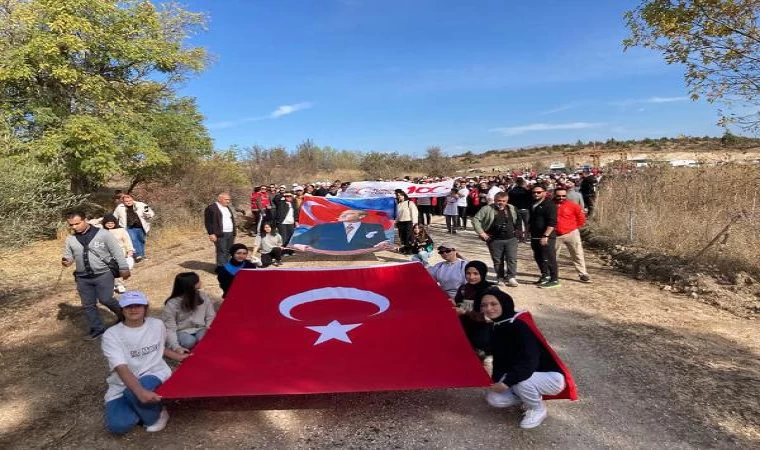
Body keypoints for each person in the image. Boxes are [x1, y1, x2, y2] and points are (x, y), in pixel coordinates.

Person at [481, 288, 577, 429]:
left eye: (493, 304)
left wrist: (507, 382)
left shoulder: (519, 326)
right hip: (526, 375)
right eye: (484, 305)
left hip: (549, 376)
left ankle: (537, 409)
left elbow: (529, 361)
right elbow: (500, 359)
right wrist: (497, 381)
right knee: (494, 398)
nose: (488, 308)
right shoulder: (497, 326)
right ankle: (526, 398)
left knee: (521, 383)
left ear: (504, 303)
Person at [101, 291, 188, 434]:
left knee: (134, 394)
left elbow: (159, 347)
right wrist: (140, 391)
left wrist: (177, 356)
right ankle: (141, 402)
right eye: (128, 306)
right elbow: (120, 367)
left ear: (145, 308)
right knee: (118, 426)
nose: (133, 309)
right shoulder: (111, 334)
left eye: (138, 306)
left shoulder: (157, 324)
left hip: (154, 371)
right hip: (122, 381)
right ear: (122, 309)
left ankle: (158, 413)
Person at [62, 211, 131, 340]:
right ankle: (97, 329)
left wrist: (123, 267)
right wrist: (66, 261)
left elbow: (116, 251)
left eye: (77, 223)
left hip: (103, 273)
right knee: (88, 305)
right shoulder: (70, 239)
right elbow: (68, 256)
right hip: (83, 277)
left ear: (85, 220)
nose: (74, 227)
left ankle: (125, 316)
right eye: (71, 225)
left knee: (105, 299)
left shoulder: (103, 234)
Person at [472, 192, 519, 287]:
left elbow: (518, 220)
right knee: (498, 260)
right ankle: (500, 277)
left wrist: (519, 231)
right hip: (494, 239)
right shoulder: (487, 208)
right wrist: (481, 233)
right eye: (499, 200)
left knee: (512, 259)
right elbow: (475, 219)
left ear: (507, 201)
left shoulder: (511, 208)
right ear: (495, 199)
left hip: (511, 239)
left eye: (503, 201)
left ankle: (511, 277)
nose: (501, 203)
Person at [290, 209, 391, 253]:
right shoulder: (325, 227)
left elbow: (382, 240)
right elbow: (298, 239)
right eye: (342, 214)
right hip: (328, 256)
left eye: (349, 214)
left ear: (361, 216)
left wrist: (382, 243)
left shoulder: (375, 227)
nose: (343, 216)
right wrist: (301, 245)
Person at [163, 272, 216, 352]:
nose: (201, 282)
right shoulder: (172, 304)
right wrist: (176, 347)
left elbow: (210, 315)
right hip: (182, 331)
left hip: (201, 329)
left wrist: (209, 329)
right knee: (189, 342)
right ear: (190, 286)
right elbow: (170, 327)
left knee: (205, 339)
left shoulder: (203, 296)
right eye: (198, 281)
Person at [453, 261, 496, 353]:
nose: (471, 277)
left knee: (481, 340)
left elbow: (491, 317)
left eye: (476, 273)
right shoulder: (464, 289)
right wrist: (454, 304)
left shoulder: (491, 291)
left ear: (483, 274)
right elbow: (460, 304)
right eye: (468, 273)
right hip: (466, 325)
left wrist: (465, 312)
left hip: (484, 328)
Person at [553, 188, 591, 283]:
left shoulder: (573, 205)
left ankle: (583, 274)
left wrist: (574, 227)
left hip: (571, 233)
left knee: (577, 254)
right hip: (555, 234)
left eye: (563, 196)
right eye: (558, 196)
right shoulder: (550, 205)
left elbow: (581, 218)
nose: (561, 198)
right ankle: (552, 274)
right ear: (554, 195)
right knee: (552, 256)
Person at [529, 185, 559, 288]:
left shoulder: (550, 205)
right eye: (534, 192)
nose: (536, 194)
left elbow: (552, 222)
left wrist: (546, 235)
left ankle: (554, 279)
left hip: (546, 236)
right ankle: (544, 276)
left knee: (550, 258)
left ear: (545, 193)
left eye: (539, 192)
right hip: (535, 235)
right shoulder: (532, 204)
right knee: (538, 257)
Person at [113, 194, 154, 262]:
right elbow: (114, 217)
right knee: (133, 240)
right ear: (123, 202)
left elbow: (150, 213)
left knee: (141, 240)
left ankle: (142, 255)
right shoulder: (119, 207)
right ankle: (138, 255)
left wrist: (147, 214)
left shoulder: (141, 205)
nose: (129, 202)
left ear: (133, 199)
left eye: (130, 200)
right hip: (128, 227)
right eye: (126, 201)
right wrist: (115, 226)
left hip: (141, 226)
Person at [101, 214, 135, 294]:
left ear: (115, 223)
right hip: (106, 255)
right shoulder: (101, 231)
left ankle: (120, 284)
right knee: (108, 271)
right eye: (108, 223)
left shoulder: (121, 230)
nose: (110, 224)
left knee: (120, 269)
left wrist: (129, 250)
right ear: (104, 223)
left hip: (121, 253)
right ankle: (110, 286)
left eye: (112, 223)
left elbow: (127, 241)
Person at [204, 192, 236, 269]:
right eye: (226, 199)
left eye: (229, 199)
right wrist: (211, 233)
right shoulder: (211, 208)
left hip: (230, 233)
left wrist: (234, 232)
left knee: (229, 251)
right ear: (219, 199)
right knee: (222, 251)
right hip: (220, 234)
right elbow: (208, 222)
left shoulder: (227, 207)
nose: (228, 201)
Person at [508, 177, 533, 243]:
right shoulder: (526, 191)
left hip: (516, 209)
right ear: (523, 183)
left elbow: (509, 201)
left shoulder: (512, 191)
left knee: (518, 224)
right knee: (527, 224)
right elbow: (530, 200)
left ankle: (519, 237)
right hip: (525, 209)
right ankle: (526, 237)